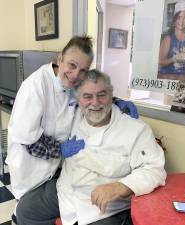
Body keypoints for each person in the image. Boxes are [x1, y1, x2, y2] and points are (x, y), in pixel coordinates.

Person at [6, 35, 138, 222]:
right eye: (72, 65)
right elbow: (28, 140)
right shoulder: (36, 86)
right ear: (60, 59)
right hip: (32, 170)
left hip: (59, 172)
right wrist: (60, 150)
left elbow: (92, 97)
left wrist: (116, 102)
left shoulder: (75, 84)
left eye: (83, 70)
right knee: (28, 209)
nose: (76, 74)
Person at [16, 69, 166, 225]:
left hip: (107, 206)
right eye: (87, 96)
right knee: (25, 210)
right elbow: (30, 135)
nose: (95, 103)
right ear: (78, 99)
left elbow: (154, 170)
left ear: (111, 95)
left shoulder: (136, 130)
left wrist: (121, 186)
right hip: (66, 191)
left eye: (102, 95)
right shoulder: (74, 119)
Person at [159, 1, 185, 75]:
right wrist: (174, 59)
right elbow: (161, 62)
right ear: (175, 20)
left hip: (184, 78)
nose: (182, 21)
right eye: (179, 17)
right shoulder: (168, 38)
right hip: (168, 77)